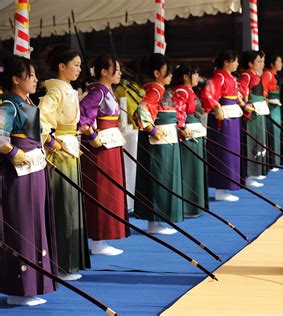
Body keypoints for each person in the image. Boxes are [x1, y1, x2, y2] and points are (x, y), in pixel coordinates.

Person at [0, 55, 57, 306]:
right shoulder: (8, 104)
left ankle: (34, 284)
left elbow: (36, 132)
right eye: (30, 76)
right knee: (21, 223)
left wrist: (45, 147)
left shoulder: (27, 101)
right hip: (17, 173)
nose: (35, 80)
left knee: (36, 222)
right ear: (15, 79)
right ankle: (18, 288)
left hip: (33, 168)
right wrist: (14, 151)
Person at [38, 45, 90, 281]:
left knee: (71, 203)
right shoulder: (55, 91)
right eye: (75, 65)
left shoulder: (66, 89)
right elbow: (39, 121)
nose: (79, 69)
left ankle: (69, 261)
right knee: (63, 204)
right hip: (60, 152)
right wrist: (49, 140)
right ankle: (61, 263)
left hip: (69, 147)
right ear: (62, 66)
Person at [79, 54, 130, 255]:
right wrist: (92, 135)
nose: (119, 73)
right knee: (102, 190)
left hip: (110, 144)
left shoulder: (106, 90)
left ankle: (104, 238)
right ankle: (99, 240)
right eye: (115, 69)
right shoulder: (97, 91)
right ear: (103, 72)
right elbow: (83, 118)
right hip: (100, 148)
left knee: (112, 189)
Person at [133, 53, 182, 234]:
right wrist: (152, 130)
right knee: (159, 177)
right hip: (158, 141)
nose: (170, 74)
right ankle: (154, 222)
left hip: (164, 139)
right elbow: (141, 110)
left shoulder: (158, 89)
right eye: (166, 71)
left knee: (163, 177)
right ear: (156, 73)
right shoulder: (155, 90)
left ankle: (158, 221)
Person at [201, 50, 244, 202]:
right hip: (223, 117)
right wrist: (216, 107)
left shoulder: (229, 77)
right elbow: (207, 94)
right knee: (224, 150)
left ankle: (228, 186)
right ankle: (221, 188)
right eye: (235, 61)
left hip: (231, 113)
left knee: (232, 150)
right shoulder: (219, 76)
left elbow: (234, 94)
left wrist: (242, 103)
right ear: (226, 62)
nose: (237, 64)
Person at [172, 64, 208, 217]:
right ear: (186, 76)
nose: (197, 78)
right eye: (194, 74)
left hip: (195, 131)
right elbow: (179, 112)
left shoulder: (190, 90)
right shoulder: (181, 91)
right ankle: (188, 205)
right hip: (188, 133)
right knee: (190, 167)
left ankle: (195, 204)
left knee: (196, 167)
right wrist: (181, 129)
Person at [238, 50, 269, 187]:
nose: (262, 64)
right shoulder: (246, 75)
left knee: (259, 141)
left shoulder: (255, 75)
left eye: (262, 61)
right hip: (252, 113)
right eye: (259, 61)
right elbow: (240, 92)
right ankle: (249, 176)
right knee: (251, 141)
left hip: (259, 110)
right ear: (250, 63)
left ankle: (256, 172)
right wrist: (245, 105)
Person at [262, 52, 283, 171]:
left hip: (276, 106)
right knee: (272, 130)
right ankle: (271, 161)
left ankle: (276, 159)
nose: (281, 64)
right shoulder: (267, 74)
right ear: (272, 64)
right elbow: (263, 91)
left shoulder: (274, 75)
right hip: (271, 106)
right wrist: (267, 102)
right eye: (279, 61)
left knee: (277, 130)